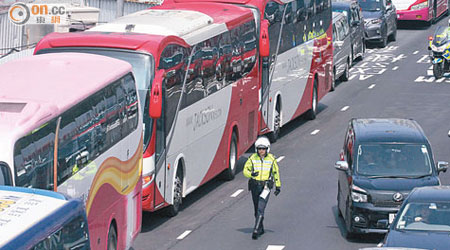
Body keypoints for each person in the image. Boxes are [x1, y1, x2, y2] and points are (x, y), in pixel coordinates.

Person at [243, 136, 281, 240]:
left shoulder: (271, 159)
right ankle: (261, 228)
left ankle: (256, 229)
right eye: (259, 149)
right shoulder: (252, 159)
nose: (261, 151)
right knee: (256, 209)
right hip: (255, 186)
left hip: (266, 187)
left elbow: (276, 173)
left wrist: (278, 186)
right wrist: (251, 174)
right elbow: (245, 170)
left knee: (261, 207)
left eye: (263, 149)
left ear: (267, 149)